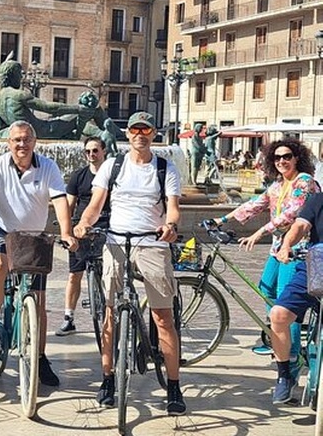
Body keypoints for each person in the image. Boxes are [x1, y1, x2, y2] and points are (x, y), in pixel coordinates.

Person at [73, 111, 185, 414]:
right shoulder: (113, 165)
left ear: (153, 134)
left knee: (164, 318)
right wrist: (83, 224)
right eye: (135, 128)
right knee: (110, 314)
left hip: (152, 242)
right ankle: (107, 379)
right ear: (128, 134)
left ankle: (174, 386)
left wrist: (170, 227)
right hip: (116, 242)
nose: (140, 134)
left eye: (145, 129)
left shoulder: (165, 167)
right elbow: (96, 205)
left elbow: (173, 209)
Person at [0, 121, 78, 386]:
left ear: (35, 141)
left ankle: (40, 359)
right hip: (2, 229)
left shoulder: (49, 167)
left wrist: (66, 232)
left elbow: (60, 200)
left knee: (39, 302)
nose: (22, 144)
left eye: (26, 139)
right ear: (9, 143)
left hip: (32, 235)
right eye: (17, 140)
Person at [209, 138, 318, 359]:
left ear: (297, 158)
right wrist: (221, 219)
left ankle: (292, 354)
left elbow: (292, 214)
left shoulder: (304, 182)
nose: (282, 161)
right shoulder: (278, 185)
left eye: (287, 156)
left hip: (297, 248)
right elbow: (255, 204)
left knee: (285, 301)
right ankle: (276, 337)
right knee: (266, 288)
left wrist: (260, 233)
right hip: (278, 247)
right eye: (277, 157)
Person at [272, 192, 323, 403]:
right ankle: (285, 375)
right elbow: (299, 226)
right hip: (317, 267)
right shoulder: (317, 200)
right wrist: (286, 246)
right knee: (278, 315)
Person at [56, 136, 109, 336]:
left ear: (103, 151)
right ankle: (69, 318)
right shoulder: (78, 176)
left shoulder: (112, 175)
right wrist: (67, 230)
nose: (91, 155)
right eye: (88, 151)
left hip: (105, 225)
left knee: (110, 274)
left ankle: (111, 314)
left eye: (95, 150)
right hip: (81, 229)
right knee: (74, 274)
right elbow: (68, 206)